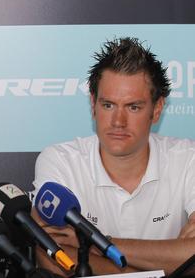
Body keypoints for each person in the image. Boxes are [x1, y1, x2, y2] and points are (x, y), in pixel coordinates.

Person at [33, 37, 195, 274]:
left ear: (157, 109)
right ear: (93, 104)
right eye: (108, 105)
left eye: (133, 107)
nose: (118, 122)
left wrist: (90, 242)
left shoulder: (188, 158)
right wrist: (154, 268)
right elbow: (51, 254)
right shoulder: (60, 160)